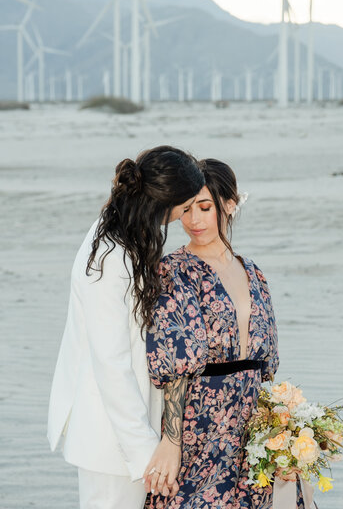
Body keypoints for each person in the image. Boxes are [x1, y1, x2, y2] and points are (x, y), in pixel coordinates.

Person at [47, 145, 204, 509]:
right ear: (164, 202)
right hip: (111, 439)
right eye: (183, 208)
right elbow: (110, 362)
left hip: (125, 432)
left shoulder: (124, 234)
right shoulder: (109, 256)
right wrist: (145, 448)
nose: (184, 218)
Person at [143, 158, 306, 508]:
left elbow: (268, 368)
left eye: (204, 207)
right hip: (201, 424)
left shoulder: (254, 273)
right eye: (185, 210)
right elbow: (175, 363)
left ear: (230, 204)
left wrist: (283, 433)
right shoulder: (173, 271)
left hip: (252, 427)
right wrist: (171, 443)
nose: (193, 221)